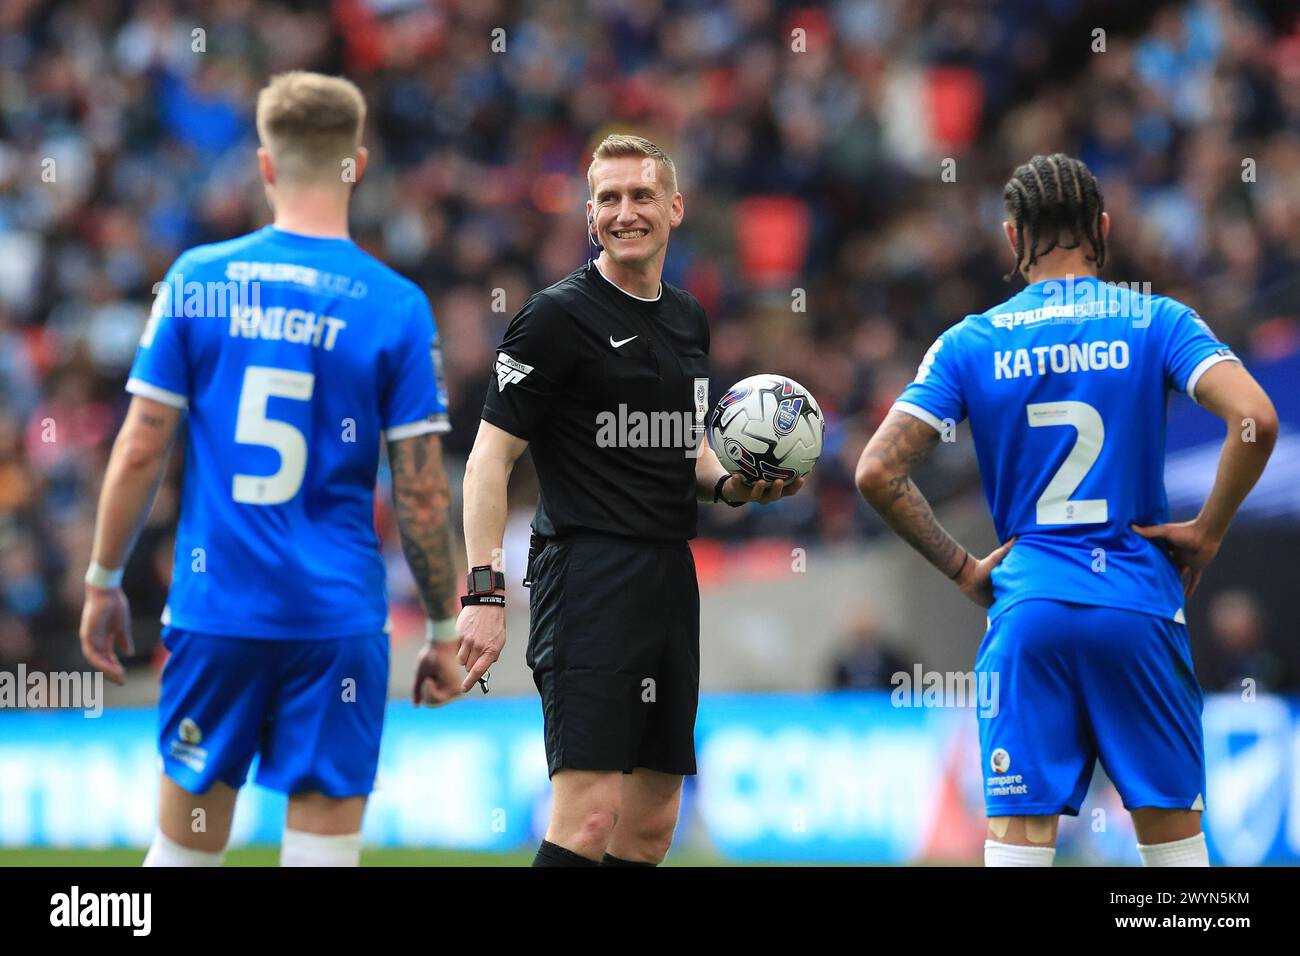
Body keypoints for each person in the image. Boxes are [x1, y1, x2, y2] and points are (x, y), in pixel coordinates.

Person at [79, 71, 464, 867]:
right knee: (321, 859)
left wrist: (102, 578)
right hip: (336, 621)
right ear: (355, 164)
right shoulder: (393, 304)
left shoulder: (197, 279)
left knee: (182, 854)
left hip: (217, 608)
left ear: (264, 165)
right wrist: (444, 628)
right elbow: (421, 489)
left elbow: (143, 442)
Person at [855, 153, 1277, 867]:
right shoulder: (1156, 319)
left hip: (1030, 610)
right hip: (1137, 605)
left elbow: (876, 470)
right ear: (1103, 228)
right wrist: (1205, 533)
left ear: (1013, 235)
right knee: (1173, 845)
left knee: (1020, 844)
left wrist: (962, 567)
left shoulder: (970, 342)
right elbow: (1258, 421)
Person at [456, 134, 806, 866]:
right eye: (609, 199)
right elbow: (489, 459)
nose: (625, 212)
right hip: (586, 576)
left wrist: (741, 484)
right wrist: (484, 591)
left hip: (669, 578)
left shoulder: (688, 320)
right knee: (587, 818)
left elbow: (693, 458)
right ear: (589, 216)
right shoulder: (553, 320)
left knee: (650, 825)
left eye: (641, 195)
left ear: (674, 208)